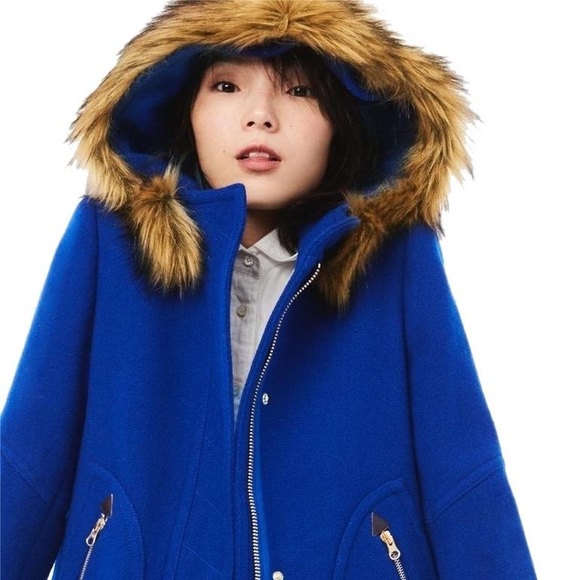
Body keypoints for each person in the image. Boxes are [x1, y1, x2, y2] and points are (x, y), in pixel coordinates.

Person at [0, 0, 536, 578]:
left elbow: (463, 476)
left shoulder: (396, 259)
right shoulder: (109, 241)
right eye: (226, 85)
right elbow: (31, 456)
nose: (260, 116)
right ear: (185, 110)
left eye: (300, 91)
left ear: (344, 120)